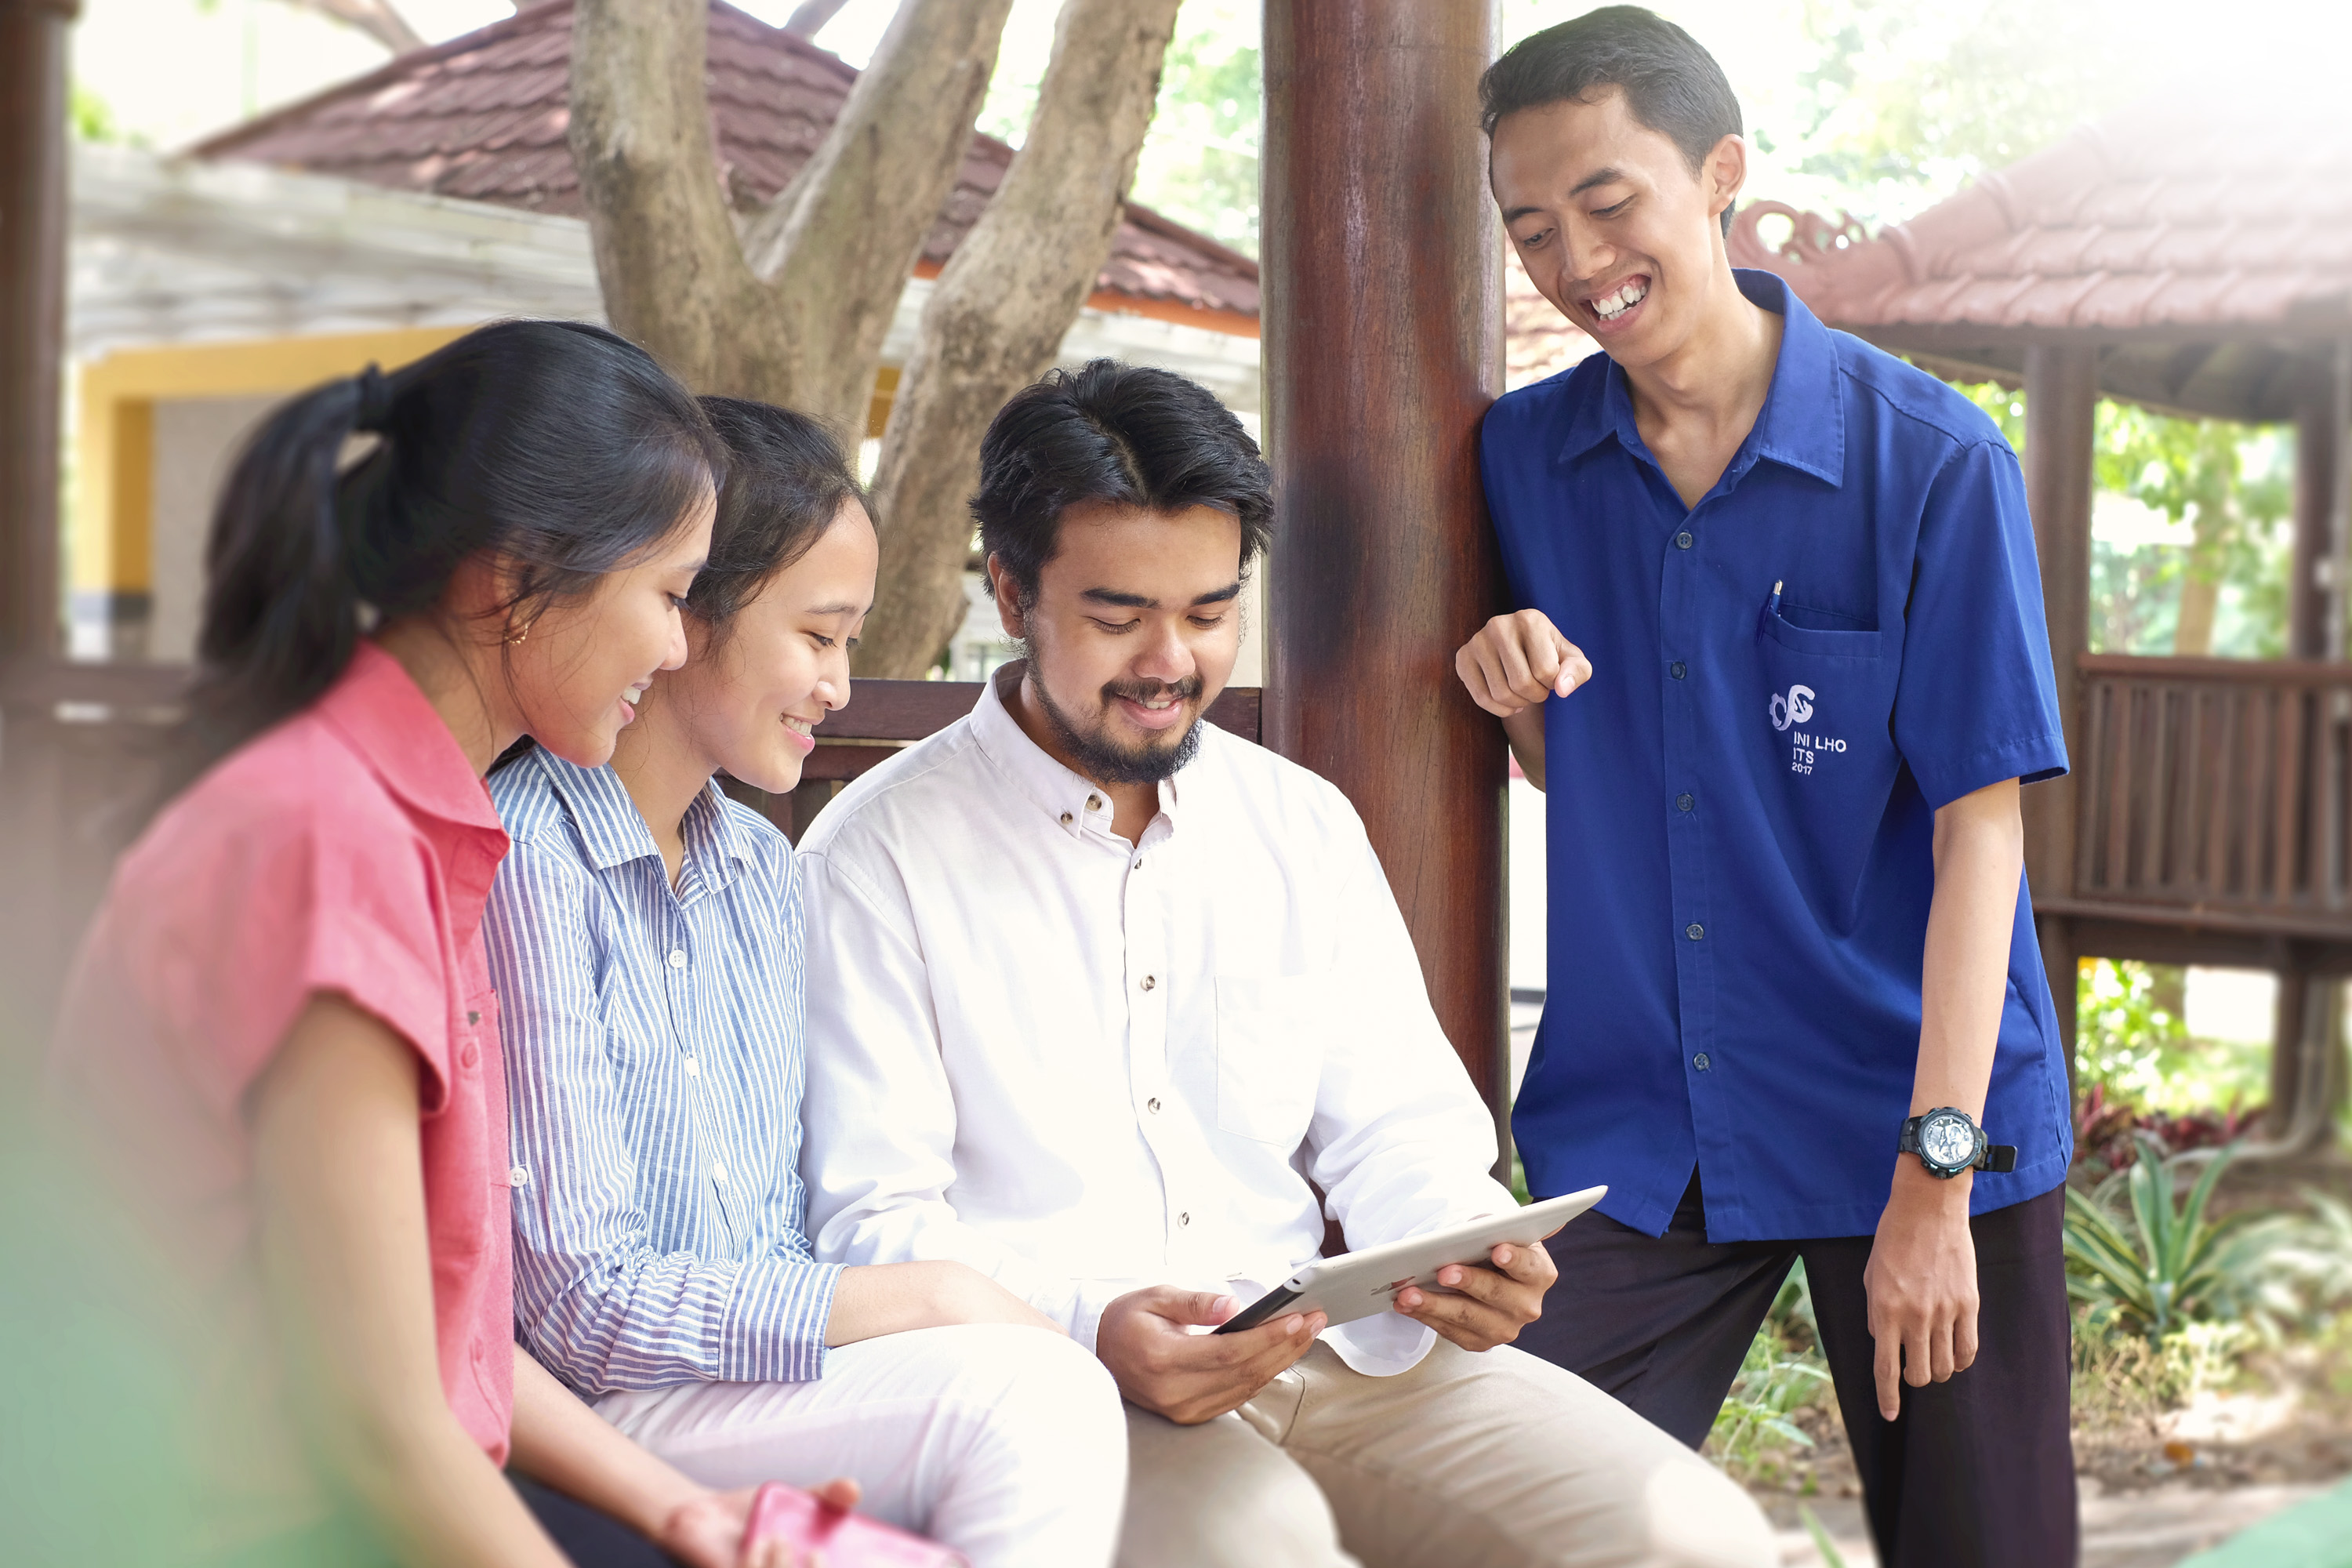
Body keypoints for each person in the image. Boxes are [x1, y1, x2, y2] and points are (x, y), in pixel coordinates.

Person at [795, 359, 1777, 1568]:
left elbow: (1399, 1130)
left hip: (1341, 1355)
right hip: (1062, 1384)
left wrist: (1465, 1240)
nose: (1170, 662)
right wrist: (1093, 1324)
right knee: (1263, 1547)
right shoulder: (876, 855)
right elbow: (871, 1225)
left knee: (1698, 1540)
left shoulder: (1295, 820)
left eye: (1210, 613)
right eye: (1118, 617)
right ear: (1010, 589)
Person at [49, 322, 851, 1568]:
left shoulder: (412, 822)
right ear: (508, 579)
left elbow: (443, 1346)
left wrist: (678, 1508)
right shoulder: (331, 838)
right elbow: (381, 1432)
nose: (675, 646)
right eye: (667, 595)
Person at [1453, 10, 2078, 1566]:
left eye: (1608, 202)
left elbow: (1981, 838)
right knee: (1482, 1510)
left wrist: (1936, 1182)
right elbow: (1608, 772)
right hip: (1644, 1120)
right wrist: (1513, 694)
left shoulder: (1933, 460)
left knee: (1984, 1549)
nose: (1578, 259)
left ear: (1720, 173)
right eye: (1532, 228)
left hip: (1911, 1107)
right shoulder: (1519, 460)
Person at [483, 397, 1129, 1568]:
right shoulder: (530, 855)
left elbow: (778, 1232)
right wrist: (924, 1298)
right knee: (1029, 1401)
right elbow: (576, 1312)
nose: (840, 685)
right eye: (820, 636)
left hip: (755, 1385)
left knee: (1038, 1383)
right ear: (687, 610)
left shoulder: (759, 867)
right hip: (594, 1417)